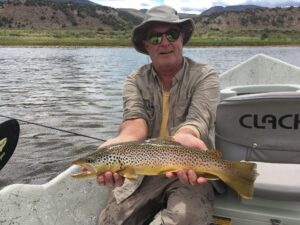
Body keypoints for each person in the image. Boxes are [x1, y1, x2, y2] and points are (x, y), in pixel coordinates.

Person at [97, 5, 220, 225]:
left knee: (186, 218)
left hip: (191, 168)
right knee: (110, 221)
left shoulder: (205, 76)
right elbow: (135, 123)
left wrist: (186, 136)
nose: (164, 42)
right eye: (155, 37)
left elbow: (198, 120)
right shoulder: (135, 81)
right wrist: (118, 143)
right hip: (144, 170)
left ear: (181, 38)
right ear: (146, 45)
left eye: (171, 34)